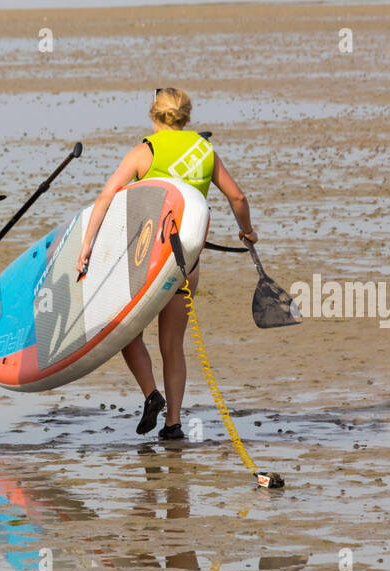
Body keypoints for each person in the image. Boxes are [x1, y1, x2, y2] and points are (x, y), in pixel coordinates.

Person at [77, 88, 257, 440]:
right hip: (185, 263)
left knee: (127, 335)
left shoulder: (146, 151)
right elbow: (237, 196)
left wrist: (87, 246)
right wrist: (247, 231)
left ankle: (150, 394)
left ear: (153, 115)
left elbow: (106, 195)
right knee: (173, 345)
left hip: (146, 263)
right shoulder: (205, 152)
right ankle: (173, 424)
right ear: (186, 116)